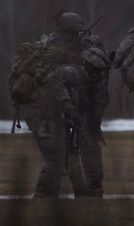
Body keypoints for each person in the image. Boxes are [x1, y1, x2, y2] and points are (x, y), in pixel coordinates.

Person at [42, 12, 112, 197]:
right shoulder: (53, 44)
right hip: (60, 102)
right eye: (61, 32)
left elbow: (102, 80)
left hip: (86, 100)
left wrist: (97, 109)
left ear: (74, 32)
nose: (62, 36)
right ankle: (67, 188)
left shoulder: (92, 45)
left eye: (66, 32)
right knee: (64, 147)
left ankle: (94, 184)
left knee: (89, 143)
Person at [24, 58, 89, 198]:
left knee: (67, 157)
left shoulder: (73, 77)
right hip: (42, 119)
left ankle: (78, 191)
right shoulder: (72, 71)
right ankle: (42, 193)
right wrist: (66, 102)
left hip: (50, 119)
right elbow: (53, 78)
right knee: (54, 158)